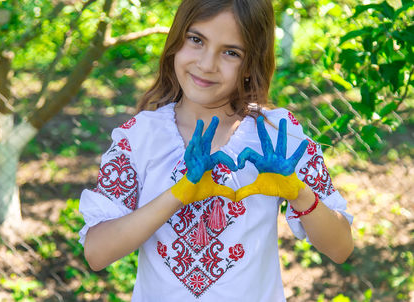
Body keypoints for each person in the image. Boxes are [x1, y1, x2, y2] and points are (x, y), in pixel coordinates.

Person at [78, 0, 354, 300]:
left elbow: (341, 248)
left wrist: (299, 193)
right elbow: (97, 253)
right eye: (196, 40)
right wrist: (177, 194)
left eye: (231, 52)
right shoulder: (139, 137)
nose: (207, 64)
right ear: (176, 41)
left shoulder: (276, 136)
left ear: (252, 63)